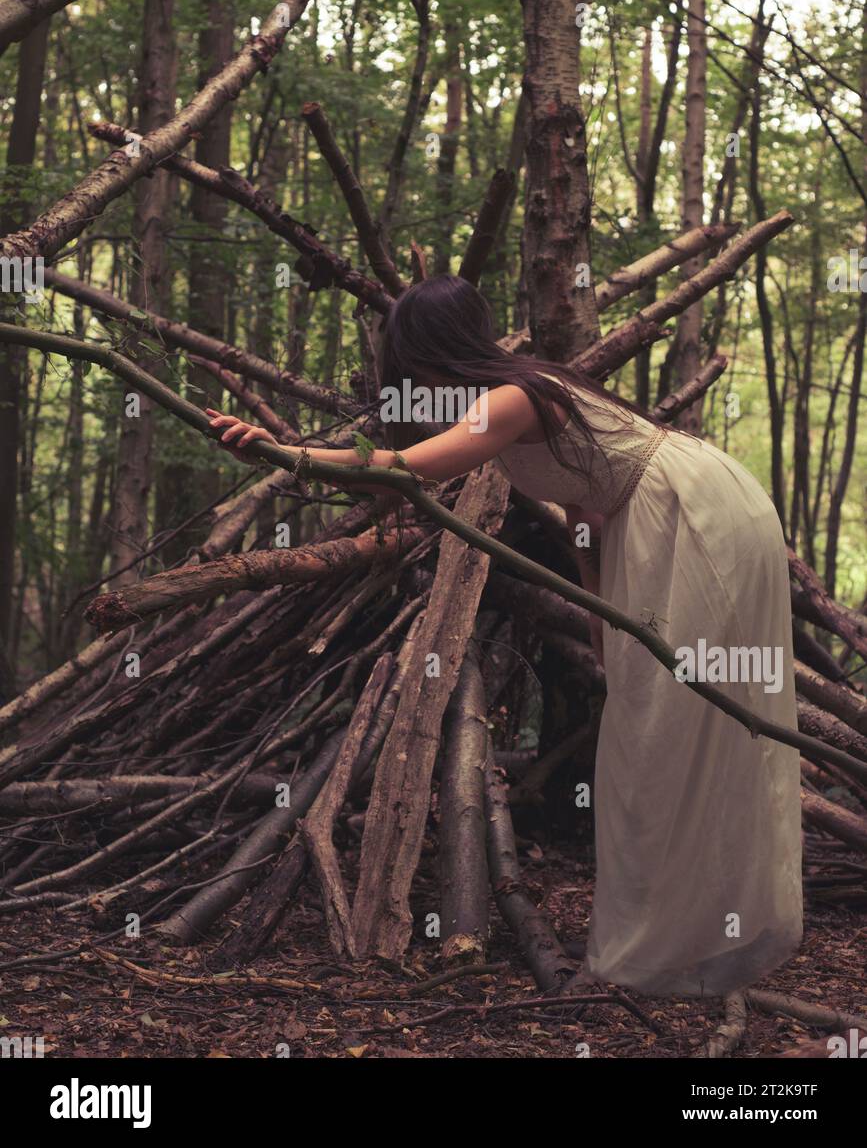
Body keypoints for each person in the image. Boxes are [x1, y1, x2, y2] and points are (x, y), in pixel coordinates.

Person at [208, 274, 803, 997]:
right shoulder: (520, 397)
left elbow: (404, 469)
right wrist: (603, 620)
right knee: (653, 724)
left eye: (409, 357)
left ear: (434, 348)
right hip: (660, 519)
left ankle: (689, 947)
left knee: (686, 722)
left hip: (694, 514)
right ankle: (681, 945)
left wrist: (285, 454)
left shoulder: (514, 398)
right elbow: (586, 510)